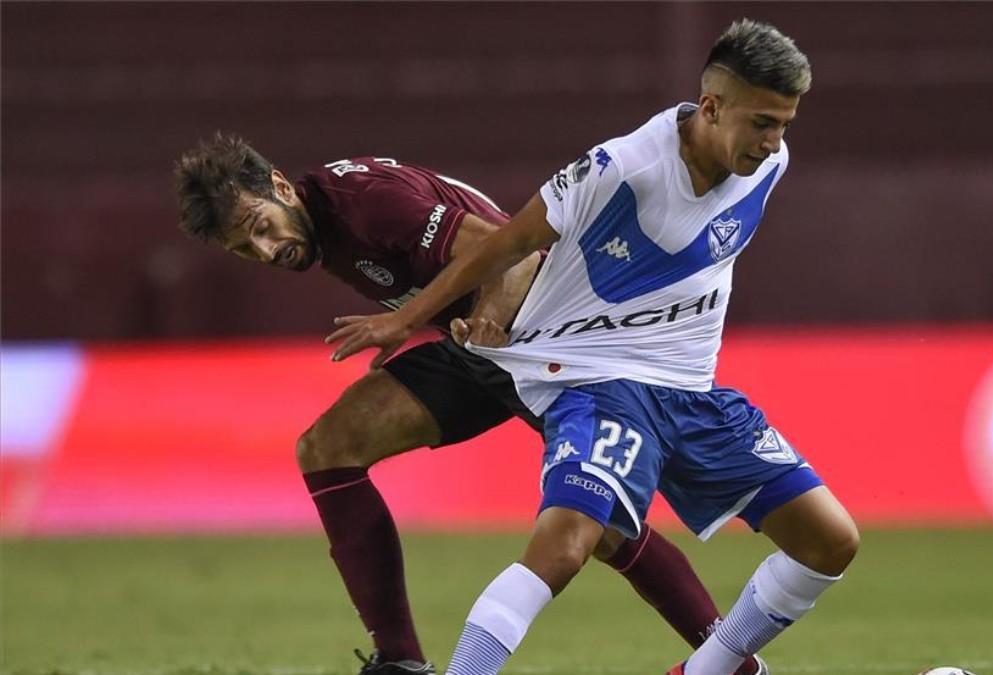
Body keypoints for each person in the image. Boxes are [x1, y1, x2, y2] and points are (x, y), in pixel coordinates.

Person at [325, 18, 860, 675]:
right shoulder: (624, 167)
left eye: (785, 122)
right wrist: (408, 315)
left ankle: (706, 670)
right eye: (761, 121)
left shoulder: (770, 162)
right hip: (598, 383)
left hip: (692, 391)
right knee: (564, 547)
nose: (773, 141)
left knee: (831, 541)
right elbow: (508, 241)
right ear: (713, 106)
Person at [173, 137, 768, 675]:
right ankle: (400, 661)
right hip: (475, 350)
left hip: (548, 341)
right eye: (245, 248)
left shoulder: (364, 203)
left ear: (279, 186)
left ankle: (733, 666)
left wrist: (481, 321)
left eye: (260, 225)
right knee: (328, 447)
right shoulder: (324, 228)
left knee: (605, 527)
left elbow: (513, 252)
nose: (266, 247)